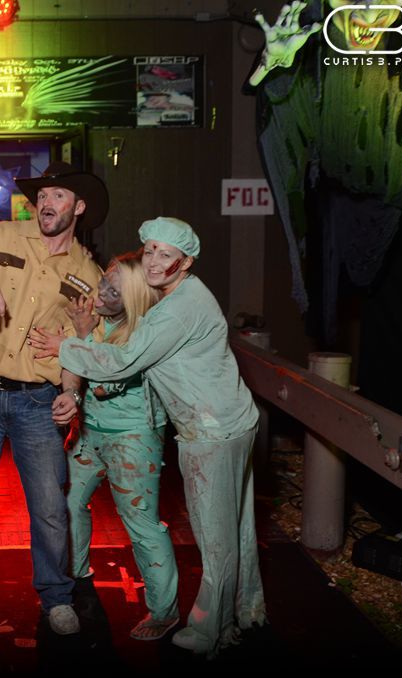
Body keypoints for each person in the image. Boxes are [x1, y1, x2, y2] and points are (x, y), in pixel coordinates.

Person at [30, 217, 266, 657]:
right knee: (237, 529)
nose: (154, 261)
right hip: (227, 421)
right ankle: (248, 610)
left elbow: (123, 363)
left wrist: (64, 346)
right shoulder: (179, 295)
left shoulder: (177, 310)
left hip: (212, 430)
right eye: (150, 250)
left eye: (166, 254)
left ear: (186, 262)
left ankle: (211, 631)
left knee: (215, 538)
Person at [0, 161, 106, 635]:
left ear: (78, 207)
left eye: (58, 196)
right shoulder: (1, 237)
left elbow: (80, 343)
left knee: (50, 508)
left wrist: (72, 392)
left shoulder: (87, 273)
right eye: (43, 195)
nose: (46, 203)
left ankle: (56, 598)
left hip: (38, 401)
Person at [55, 252, 179, 641]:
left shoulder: (145, 333)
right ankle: (77, 574)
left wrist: (76, 339)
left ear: (136, 300)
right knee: (68, 503)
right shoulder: (97, 319)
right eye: (104, 282)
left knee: (140, 523)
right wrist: (79, 337)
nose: (101, 293)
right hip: (90, 431)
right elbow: (77, 371)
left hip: (134, 438)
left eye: (114, 291)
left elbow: (105, 383)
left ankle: (164, 612)